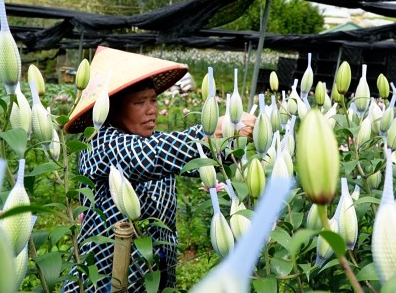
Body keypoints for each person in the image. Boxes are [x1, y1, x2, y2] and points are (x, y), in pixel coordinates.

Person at [63, 46, 255, 292]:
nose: (151, 109)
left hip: (154, 276)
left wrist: (236, 144)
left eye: (153, 100)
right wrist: (213, 131)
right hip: (103, 281)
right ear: (112, 109)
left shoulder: (153, 143)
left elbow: (197, 160)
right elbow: (151, 156)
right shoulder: (98, 143)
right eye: (139, 102)